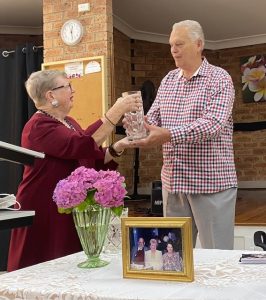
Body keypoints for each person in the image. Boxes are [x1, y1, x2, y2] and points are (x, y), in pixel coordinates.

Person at [7, 69, 141, 271]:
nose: (73, 90)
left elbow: (87, 158)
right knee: (44, 267)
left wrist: (117, 148)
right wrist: (116, 110)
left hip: (66, 207)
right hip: (44, 208)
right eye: (67, 86)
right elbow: (82, 144)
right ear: (50, 95)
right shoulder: (38, 126)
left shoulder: (69, 122)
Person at [126, 20, 237, 250]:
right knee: (174, 257)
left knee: (216, 258)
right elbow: (154, 117)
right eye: (170, 45)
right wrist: (139, 126)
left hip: (211, 184)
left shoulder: (220, 78)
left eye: (179, 44)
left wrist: (166, 134)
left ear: (198, 44)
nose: (173, 50)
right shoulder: (168, 80)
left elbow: (213, 123)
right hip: (173, 184)